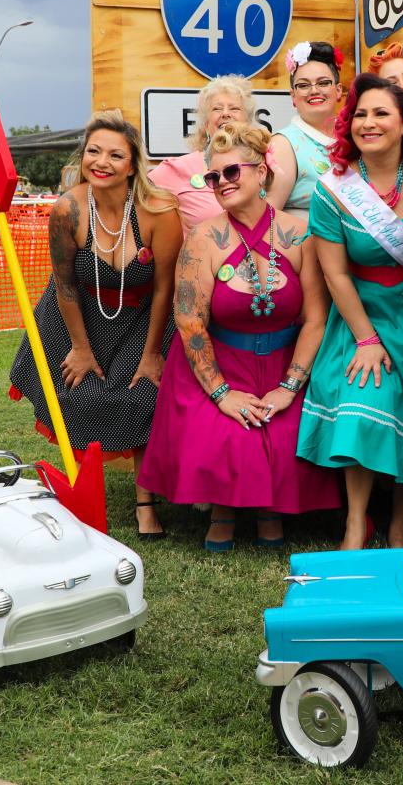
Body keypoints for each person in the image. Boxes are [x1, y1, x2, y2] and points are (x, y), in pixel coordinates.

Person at [137, 121, 340, 550]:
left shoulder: (300, 235)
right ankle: (224, 510)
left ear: (262, 171)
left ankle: (270, 510)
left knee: (286, 437)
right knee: (229, 437)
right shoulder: (202, 240)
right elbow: (189, 322)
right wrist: (222, 394)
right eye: (213, 176)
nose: (222, 183)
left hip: (284, 364)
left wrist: (289, 388)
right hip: (218, 363)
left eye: (232, 172)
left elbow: (315, 320)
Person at [9, 110, 183, 538]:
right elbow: (64, 283)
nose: (102, 162)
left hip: (143, 317)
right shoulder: (67, 209)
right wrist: (81, 348)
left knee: (144, 396)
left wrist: (153, 353)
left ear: (133, 164)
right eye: (94, 151)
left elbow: (165, 287)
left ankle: (146, 505)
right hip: (75, 315)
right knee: (79, 395)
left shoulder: (160, 211)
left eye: (115, 155)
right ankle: (82, 495)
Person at [296, 75, 403, 548]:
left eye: (381, 113)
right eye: (360, 114)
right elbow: (335, 273)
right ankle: (356, 522)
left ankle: (399, 523)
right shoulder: (333, 189)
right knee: (365, 403)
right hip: (362, 314)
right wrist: (367, 339)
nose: (368, 123)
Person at [149, 76, 256, 227]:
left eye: (234, 108)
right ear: (206, 124)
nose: (225, 113)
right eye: (217, 108)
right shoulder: (179, 167)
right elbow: (135, 194)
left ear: (247, 123)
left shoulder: (261, 164)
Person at [266, 41, 345, 214]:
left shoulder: (354, 137)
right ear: (293, 96)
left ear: (338, 90)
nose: (314, 91)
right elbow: (266, 218)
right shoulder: (283, 145)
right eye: (303, 85)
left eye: (323, 83)